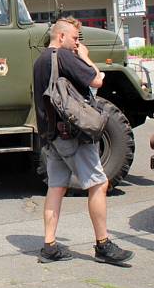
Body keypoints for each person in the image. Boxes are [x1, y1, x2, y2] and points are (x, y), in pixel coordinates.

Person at [33, 18, 134, 266]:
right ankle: (103, 244)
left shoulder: (40, 61)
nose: (77, 43)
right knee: (99, 183)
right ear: (61, 37)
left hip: (52, 136)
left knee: (56, 187)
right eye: (75, 39)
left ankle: (49, 246)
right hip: (73, 135)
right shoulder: (64, 56)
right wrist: (87, 57)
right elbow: (97, 80)